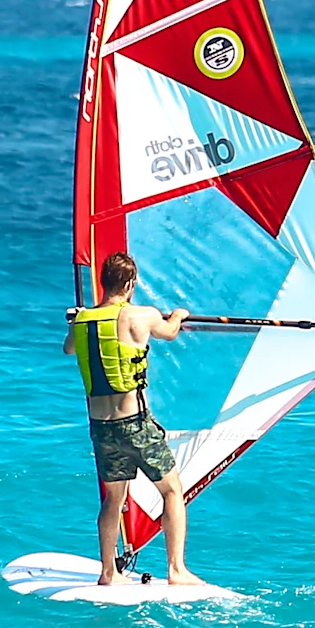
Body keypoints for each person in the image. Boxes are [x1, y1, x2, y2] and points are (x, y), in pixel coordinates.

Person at [67, 248, 197, 585]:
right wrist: (179, 315)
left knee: (114, 498)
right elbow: (168, 332)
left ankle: (108, 572)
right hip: (134, 424)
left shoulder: (82, 321)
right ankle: (176, 570)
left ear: (102, 282)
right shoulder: (142, 315)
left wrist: (81, 316)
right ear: (129, 284)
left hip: (101, 428)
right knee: (171, 491)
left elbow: (69, 347)